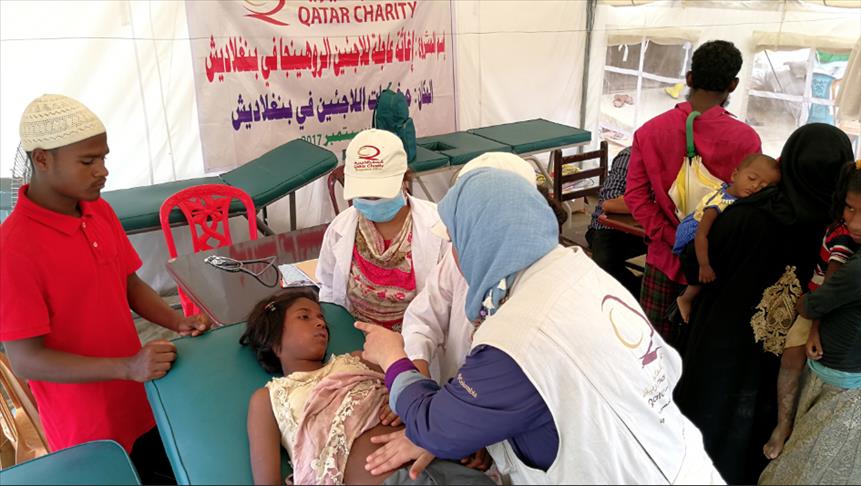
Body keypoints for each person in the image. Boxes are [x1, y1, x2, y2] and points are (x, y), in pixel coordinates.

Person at [355, 168, 723, 484]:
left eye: (456, 240)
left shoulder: (521, 335)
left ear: (480, 240)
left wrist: (394, 358)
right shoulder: (578, 271)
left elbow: (435, 427)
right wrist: (476, 430)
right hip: (675, 460)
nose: (453, 254)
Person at [0, 94, 212, 484]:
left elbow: (129, 282)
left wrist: (176, 321)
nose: (102, 171)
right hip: (87, 430)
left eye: (103, 158)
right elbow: (27, 360)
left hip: (141, 401)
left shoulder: (98, 210)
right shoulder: (14, 249)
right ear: (42, 159)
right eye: (88, 162)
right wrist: (126, 367)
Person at [672, 124, 854, 484]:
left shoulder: (748, 212)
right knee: (757, 428)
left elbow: (694, 263)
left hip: (720, 340)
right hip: (782, 355)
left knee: (704, 424)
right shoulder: (839, 230)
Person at [241, 288, 494, 486]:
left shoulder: (359, 359)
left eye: (321, 317)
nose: (320, 323)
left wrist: (462, 437)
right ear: (272, 336)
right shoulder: (269, 398)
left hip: (443, 463)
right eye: (304, 316)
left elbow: (420, 396)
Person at [624, 40, 761, 345]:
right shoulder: (746, 139)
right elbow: (751, 205)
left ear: (689, 78)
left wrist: (671, 236)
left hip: (664, 259)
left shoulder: (649, 131)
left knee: (655, 348)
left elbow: (636, 196)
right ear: (733, 84)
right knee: (702, 347)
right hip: (717, 266)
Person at [401, 152, 564, 382]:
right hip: (458, 392)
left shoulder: (542, 283)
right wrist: (417, 373)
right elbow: (423, 317)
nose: (457, 248)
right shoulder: (460, 255)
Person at [762, 160, 860, 463]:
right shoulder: (840, 227)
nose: (855, 222)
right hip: (819, 301)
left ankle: (783, 425)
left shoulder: (845, 240)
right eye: (850, 208)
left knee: (792, 356)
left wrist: (814, 328)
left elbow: (826, 293)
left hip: (819, 307)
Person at [316, 129, 446, 332]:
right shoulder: (340, 228)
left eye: (379, 195)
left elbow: (449, 300)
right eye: (363, 195)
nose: (371, 202)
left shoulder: (439, 227)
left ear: (404, 179)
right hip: (356, 337)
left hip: (416, 340)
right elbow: (328, 288)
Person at [759, 250, 861, 485]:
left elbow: (811, 304)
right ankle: (783, 424)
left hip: (839, 376)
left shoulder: (855, 266)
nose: (854, 228)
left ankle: (783, 425)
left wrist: (811, 314)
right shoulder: (843, 241)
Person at [673, 154, 781, 323]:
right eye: (752, 178)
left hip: (706, 238)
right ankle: (685, 298)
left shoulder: (740, 200)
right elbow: (701, 235)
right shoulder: (719, 203)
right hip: (693, 236)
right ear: (734, 175)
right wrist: (704, 265)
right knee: (699, 278)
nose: (755, 186)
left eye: (763, 187)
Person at [586, 147, 647, 299]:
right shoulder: (629, 157)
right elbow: (610, 201)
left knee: (673, 253)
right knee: (605, 265)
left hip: (642, 229)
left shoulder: (670, 158)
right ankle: (638, 297)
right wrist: (649, 204)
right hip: (607, 228)